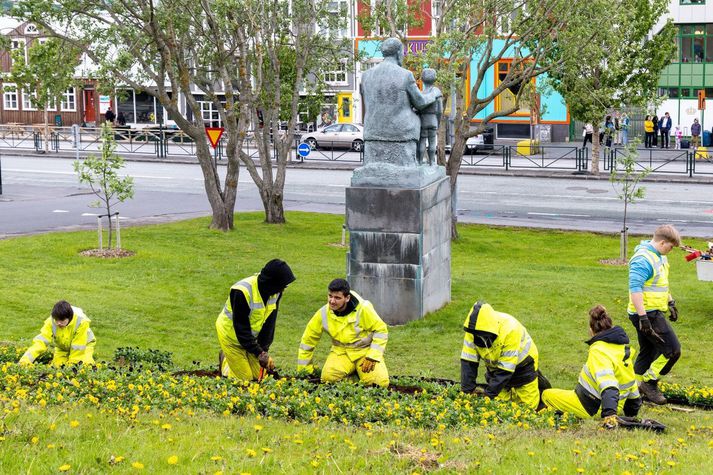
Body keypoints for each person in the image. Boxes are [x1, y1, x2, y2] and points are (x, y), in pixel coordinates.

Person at [542, 305, 642, 428]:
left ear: (591, 330)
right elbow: (632, 387)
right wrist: (632, 415)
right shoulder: (622, 350)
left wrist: (609, 416)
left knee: (546, 395)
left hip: (593, 407)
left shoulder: (598, 351)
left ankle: (563, 418)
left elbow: (608, 385)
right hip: (614, 405)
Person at [297, 279, 389, 387]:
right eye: (330, 296)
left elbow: (381, 330)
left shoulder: (363, 309)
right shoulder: (323, 313)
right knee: (328, 379)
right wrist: (304, 371)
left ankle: (357, 375)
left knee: (379, 384)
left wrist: (372, 356)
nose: (332, 301)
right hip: (341, 352)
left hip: (364, 352)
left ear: (347, 298)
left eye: (337, 298)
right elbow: (307, 341)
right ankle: (355, 377)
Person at [627, 225, 682, 405]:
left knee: (648, 352)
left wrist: (671, 301)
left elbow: (659, 284)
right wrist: (643, 319)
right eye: (670, 247)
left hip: (653, 311)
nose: (671, 250)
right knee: (673, 351)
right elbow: (635, 289)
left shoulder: (659, 256)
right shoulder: (643, 259)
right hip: (646, 314)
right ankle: (649, 384)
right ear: (662, 242)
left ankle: (632, 390)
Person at [215, 259, 296, 381]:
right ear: (271, 282)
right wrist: (258, 353)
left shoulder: (275, 292)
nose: (283, 289)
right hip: (231, 336)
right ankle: (226, 361)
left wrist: (263, 350)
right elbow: (241, 329)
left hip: (251, 339)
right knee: (245, 379)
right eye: (282, 286)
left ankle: (242, 358)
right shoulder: (241, 292)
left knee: (258, 376)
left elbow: (270, 323)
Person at [460, 301, 541, 409]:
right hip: (496, 368)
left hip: (524, 365)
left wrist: (488, 394)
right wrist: (467, 391)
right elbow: (468, 362)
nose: (478, 338)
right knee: (499, 405)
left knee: (528, 408)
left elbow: (505, 371)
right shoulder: (472, 331)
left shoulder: (510, 329)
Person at [19, 300, 96, 366]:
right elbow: (40, 342)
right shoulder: (51, 321)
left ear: (69, 317)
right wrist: (25, 360)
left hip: (84, 347)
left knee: (85, 366)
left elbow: (78, 348)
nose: (58, 323)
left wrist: (71, 367)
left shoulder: (82, 322)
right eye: (57, 320)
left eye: (62, 321)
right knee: (57, 368)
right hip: (62, 348)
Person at [417, 68, 443, 166]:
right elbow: (440, 110)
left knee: (422, 141)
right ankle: (432, 162)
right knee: (432, 142)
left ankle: (419, 161)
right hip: (433, 119)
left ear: (422, 79)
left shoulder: (421, 93)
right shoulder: (437, 92)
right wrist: (438, 122)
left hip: (423, 120)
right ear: (435, 78)